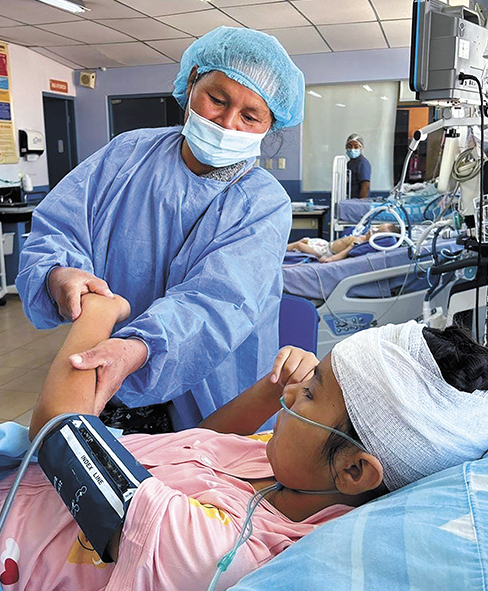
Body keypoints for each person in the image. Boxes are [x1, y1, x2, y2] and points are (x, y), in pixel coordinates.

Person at [0, 291, 488, 591]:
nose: (298, 390)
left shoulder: (233, 553)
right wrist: (272, 395)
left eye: (314, 391)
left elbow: (57, 431)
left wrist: (100, 319)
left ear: (357, 471)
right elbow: (197, 444)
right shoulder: (285, 474)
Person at [17, 27, 307, 433]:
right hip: (105, 370)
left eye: (250, 116)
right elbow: (59, 228)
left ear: (269, 125)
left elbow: (216, 302)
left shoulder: (262, 203)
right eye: (217, 100)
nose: (226, 124)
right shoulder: (127, 155)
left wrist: (140, 346)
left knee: (190, 485)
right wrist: (58, 274)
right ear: (191, 84)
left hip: (213, 391)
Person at [286, 222, 395, 263]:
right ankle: (288, 247)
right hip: (326, 244)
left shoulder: (358, 242)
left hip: (325, 252)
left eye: (378, 231)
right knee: (306, 240)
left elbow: (345, 253)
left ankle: (281, 249)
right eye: (377, 226)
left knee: (299, 245)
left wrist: (330, 259)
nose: (374, 229)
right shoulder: (361, 235)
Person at [346, 133, 372, 199]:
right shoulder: (350, 163)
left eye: (356, 146)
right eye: (349, 146)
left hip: (357, 201)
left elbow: (365, 184)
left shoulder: (362, 163)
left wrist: (361, 202)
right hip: (349, 199)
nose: (352, 149)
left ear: (361, 148)